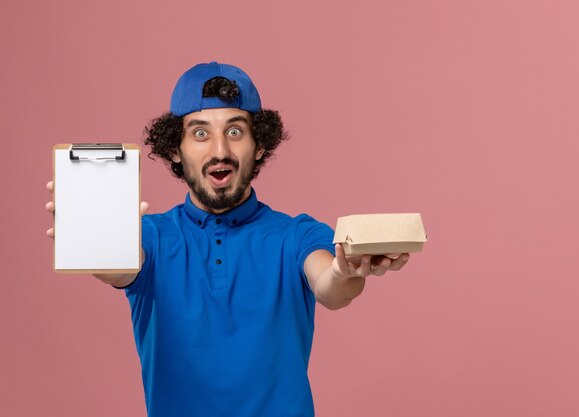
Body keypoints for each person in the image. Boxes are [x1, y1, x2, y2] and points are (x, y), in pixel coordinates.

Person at [46, 61, 411, 417]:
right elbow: (120, 268)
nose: (220, 150)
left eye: (235, 131)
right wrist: (98, 243)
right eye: (200, 133)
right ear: (176, 148)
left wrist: (348, 271)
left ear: (260, 145)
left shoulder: (298, 234)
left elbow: (331, 285)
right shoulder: (148, 238)